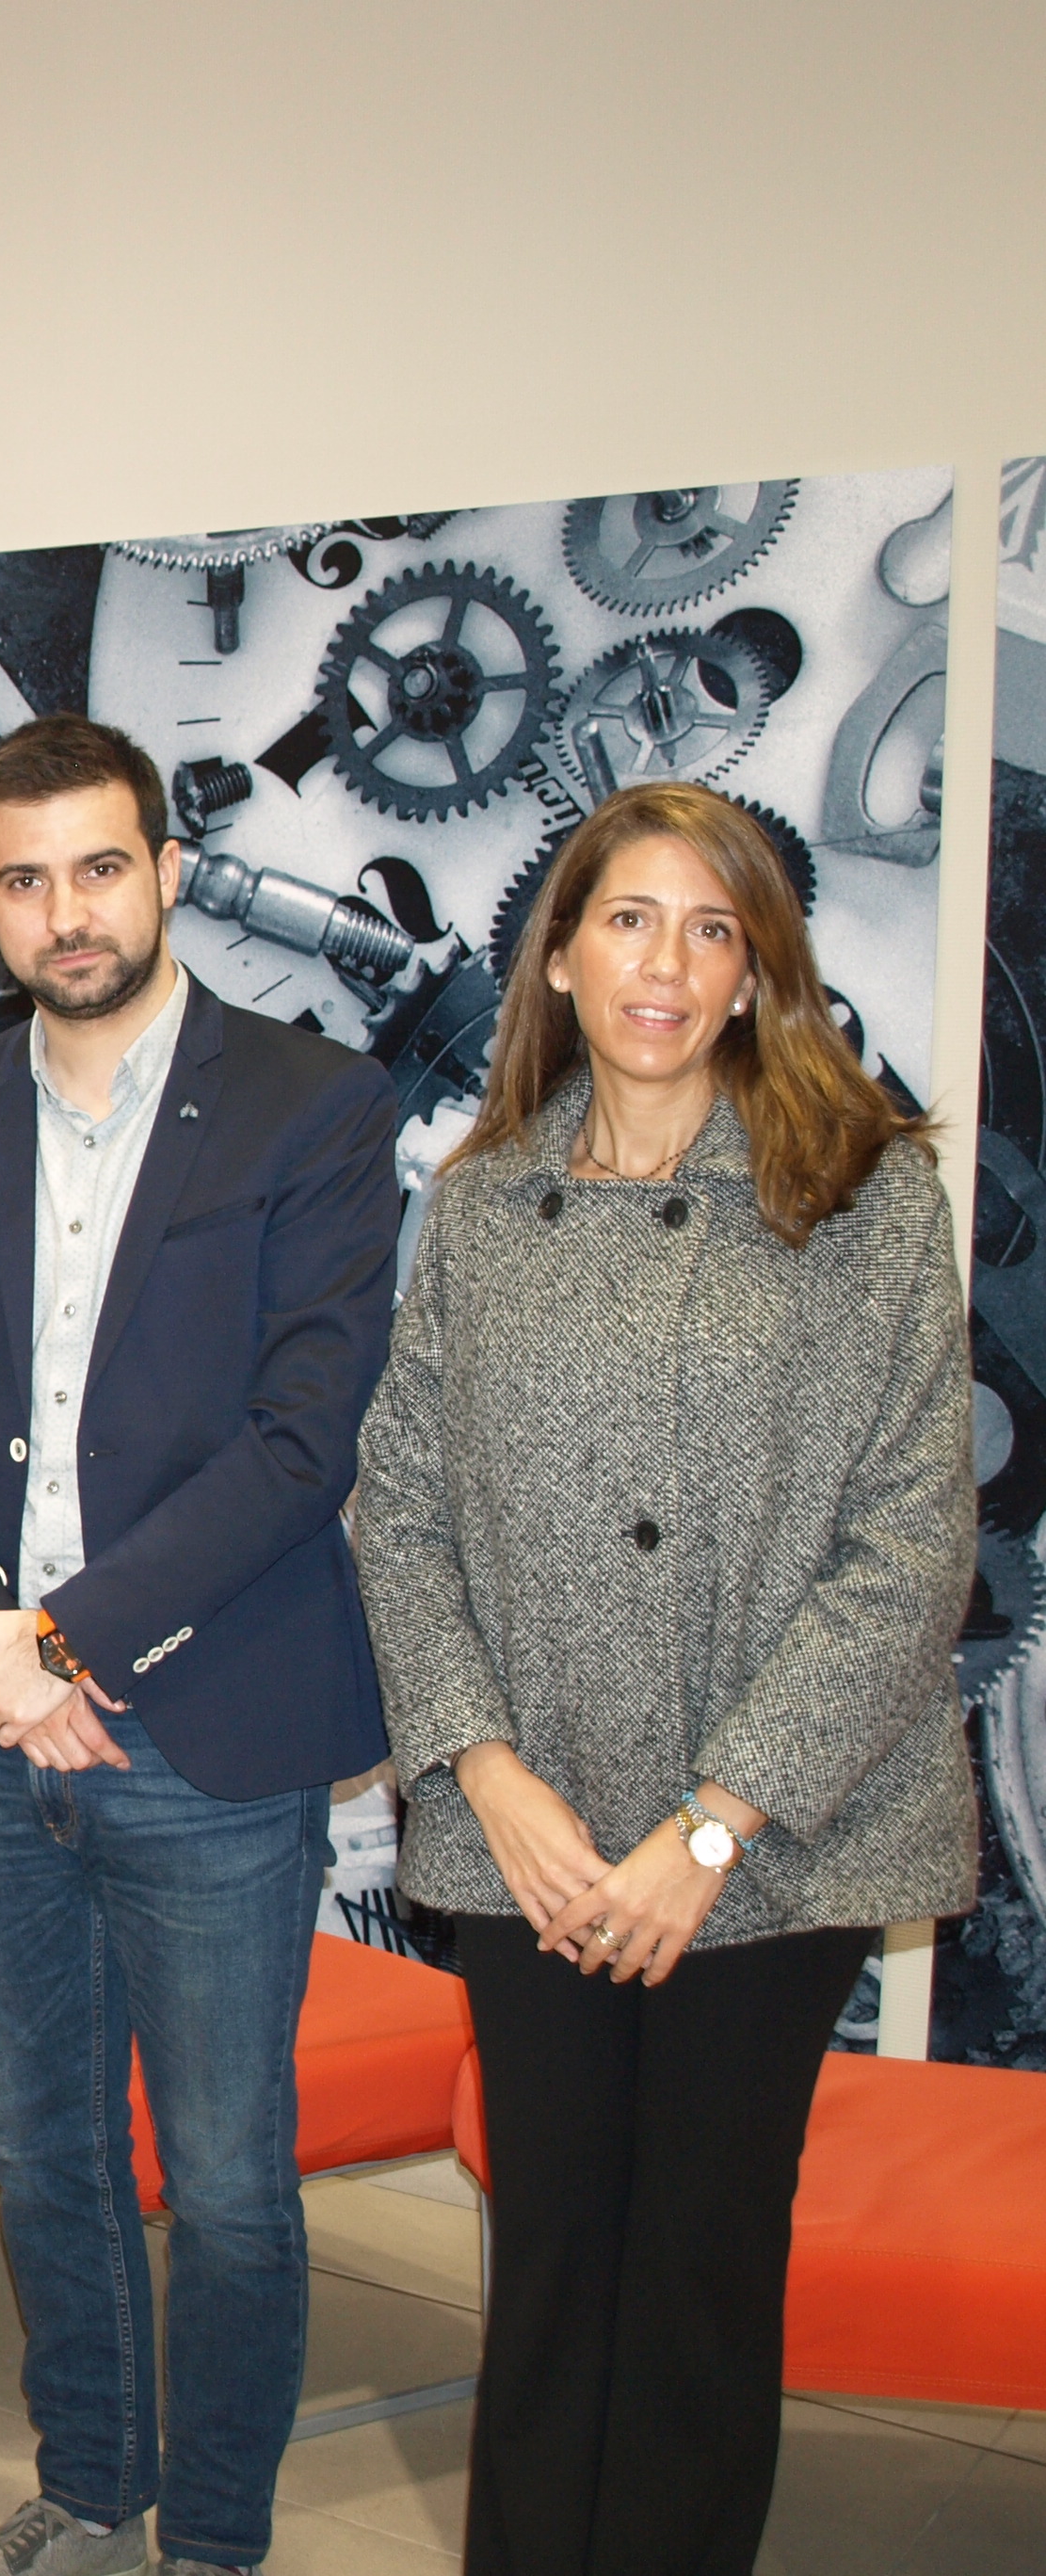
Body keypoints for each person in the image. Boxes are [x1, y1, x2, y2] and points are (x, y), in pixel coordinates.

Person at [353, 780, 975, 2576]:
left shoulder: (860, 1194)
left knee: (698, 2272)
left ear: (755, 977)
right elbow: (402, 1510)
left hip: (766, 1854)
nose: (666, 964)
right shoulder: (481, 1205)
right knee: (549, 2259)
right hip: (533, 1845)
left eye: (715, 932)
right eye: (630, 919)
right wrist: (485, 1770)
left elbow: (909, 1545)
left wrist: (708, 1829)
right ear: (559, 953)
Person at [0, 714, 401, 2576]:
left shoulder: (314, 1108)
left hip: (203, 1734)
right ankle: (93, 2498)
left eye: (102, 867)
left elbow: (301, 1435)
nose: (66, 910)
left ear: (168, 874)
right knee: (47, 2154)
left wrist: (70, 1642)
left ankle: (216, 2548)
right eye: (23, 878)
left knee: (233, 2190)